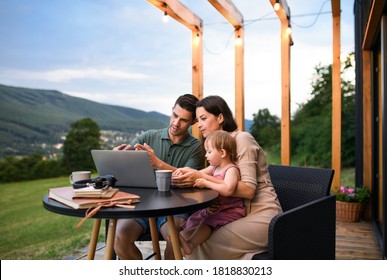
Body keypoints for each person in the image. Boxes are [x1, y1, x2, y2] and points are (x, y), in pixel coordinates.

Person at [172, 95, 283, 259]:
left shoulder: (241, 138)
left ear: (220, 117)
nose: (199, 125)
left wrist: (201, 179)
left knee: (201, 245)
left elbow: (249, 190)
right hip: (236, 214)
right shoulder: (218, 149)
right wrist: (182, 175)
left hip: (262, 215)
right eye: (197, 120)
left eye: (203, 118)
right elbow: (206, 173)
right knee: (186, 237)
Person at [113, 94, 205, 260]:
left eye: (183, 120)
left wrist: (158, 163)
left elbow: (187, 178)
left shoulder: (196, 147)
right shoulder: (148, 137)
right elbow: (125, 165)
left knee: (175, 239)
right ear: (171, 111)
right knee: (120, 240)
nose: (176, 123)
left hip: (175, 208)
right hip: (142, 206)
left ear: (193, 122)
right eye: (175, 116)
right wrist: (117, 157)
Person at [176, 130, 246, 256]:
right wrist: (185, 171)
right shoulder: (214, 168)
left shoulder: (231, 170)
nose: (206, 156)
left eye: (209, 152)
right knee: (195, 217)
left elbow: (228, 189)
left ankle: (190, 245)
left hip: (229, 210)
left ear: (222, 152)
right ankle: (180, 238)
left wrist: (206, 183)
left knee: (207, 222)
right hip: (215, 208)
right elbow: (199, 173)